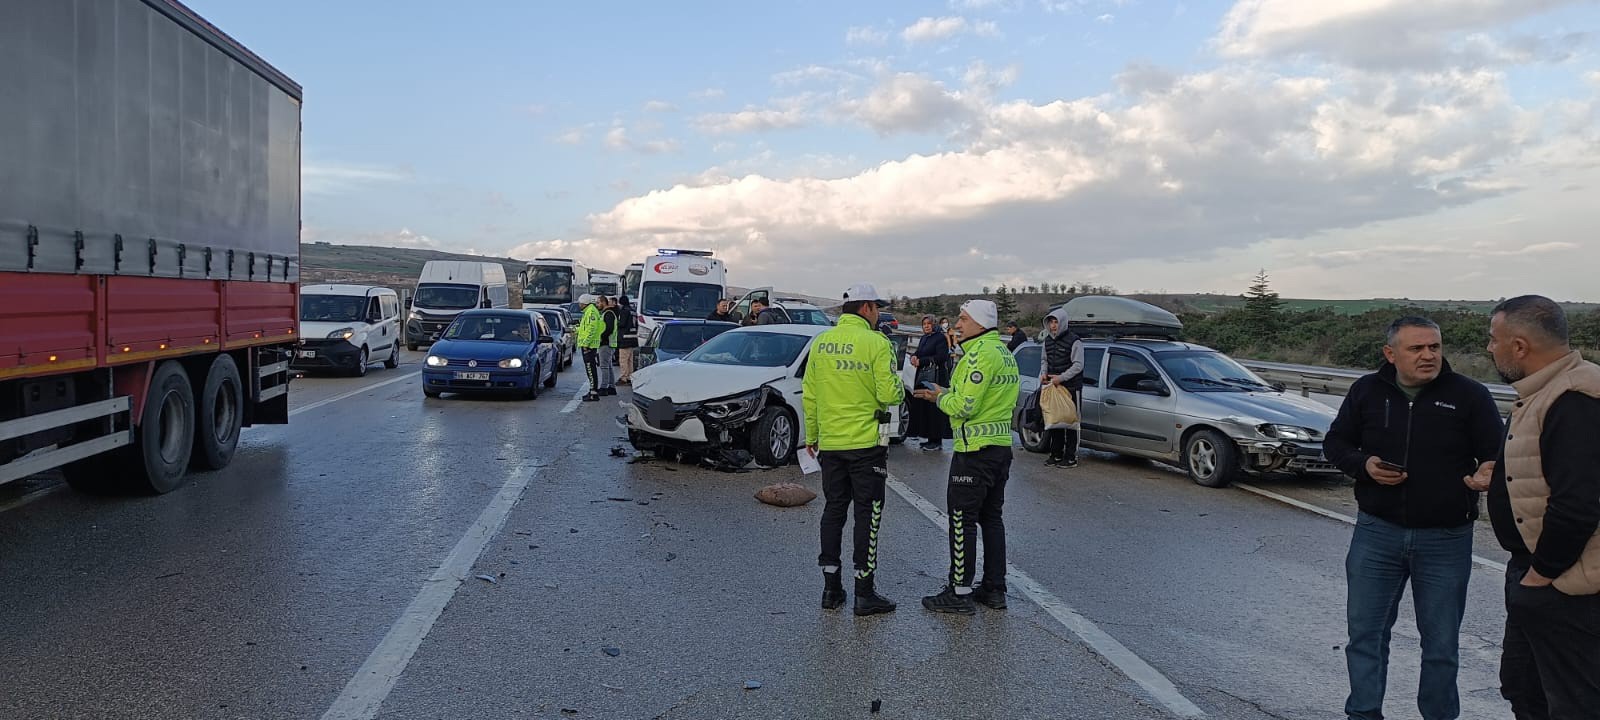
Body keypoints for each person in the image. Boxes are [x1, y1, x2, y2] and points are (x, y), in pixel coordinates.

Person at [1322, 316, 1503, 720]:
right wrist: (1364, 464)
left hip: (1446, 538)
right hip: (1377, 533)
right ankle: (1363, 714)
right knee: (1365, 637)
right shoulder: (1367, 391)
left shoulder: (1469, 395)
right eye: (1416, 348)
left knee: (1441, 646)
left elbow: (1497, 450)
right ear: (1391, 354)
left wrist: (1488, 469)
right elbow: (1335, 443)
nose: (1428, 355)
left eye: (1434, 347)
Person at [1482, 295, 1600, 718]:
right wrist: (1498, 478)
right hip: (1539, 572)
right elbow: (1550, 467)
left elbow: (1578, 503)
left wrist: (1540, 575)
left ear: (1519, 346)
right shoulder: (1543, 390)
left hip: (1566, 583)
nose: (1488, 349)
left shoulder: (1576, 397)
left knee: (1571, 702)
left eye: (1494, 340)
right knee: (1524, 688)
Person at [802, 283, 905, 617]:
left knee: (833, 511)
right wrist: (901, 390)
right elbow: (889, 393)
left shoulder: (821, 343)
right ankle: (865, 591)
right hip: (866, 445)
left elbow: (810, 395)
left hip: (830, 443)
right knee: (868, 514)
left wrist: (813, 435)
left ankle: (831, 589)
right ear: (866, 309)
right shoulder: (877, 343)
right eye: (876, 307)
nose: (878, 313)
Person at [913, 300, 1019, 615]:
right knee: (991, 518)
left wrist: (939, 397)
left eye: (962, 319)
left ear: (980, 322)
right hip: (999, 448)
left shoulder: (980, 355)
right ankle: (994, 588)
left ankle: (959, 592)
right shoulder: (1001, 352)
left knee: (962, 520)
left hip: (975, 451)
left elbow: (965, 406)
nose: (956, 325)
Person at [1040, 308, 1084, 468]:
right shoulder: (1047, 341)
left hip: (1071, 387)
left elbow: (1078, 365)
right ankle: (1056, 454)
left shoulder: (1074, 341)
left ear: (1063, 322)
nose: (1053, 325)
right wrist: (1043, 373)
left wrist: (1062, 377)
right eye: (1050, 322)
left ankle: (1071, 457)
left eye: (1056, 322)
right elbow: (1044, 360)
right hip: (1053, 387)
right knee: (1055, 420)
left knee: (1071, 423)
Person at [908, 315, 953, 451]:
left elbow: (941, 357)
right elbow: (918, 352)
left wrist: (923, 361)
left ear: (934, 324)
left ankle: (936, 440)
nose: (926, 326)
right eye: (924, 324)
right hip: (924, 375)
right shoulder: (924, 338)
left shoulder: (940, 338)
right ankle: (928, 437)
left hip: (936, 377)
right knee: (925, 407)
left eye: (929, 323)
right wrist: (914, 357)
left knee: (935, 409)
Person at [576, 294, 603, 402]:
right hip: (588, 345)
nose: (579, 305)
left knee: (590, 369)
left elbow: (591, 329)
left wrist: (586, 343)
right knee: (590, 369)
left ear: (584, 303)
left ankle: (593, 393)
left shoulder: (591, 312)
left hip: (589, 346)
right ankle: (592, 391)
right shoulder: (588, 311)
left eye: (580, 303)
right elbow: (585, 328)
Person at [595, 296, 618, 397]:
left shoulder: (608, 314)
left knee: (604, 366)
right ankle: (611, 387)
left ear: (604, 302)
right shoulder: (608, 313)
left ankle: (604, 388)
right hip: (609, 343)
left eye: (598, 303)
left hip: (606, 343)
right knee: (608, 366)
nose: (597, 305)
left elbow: (609, 329)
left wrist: (601, 337)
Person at [616, 294, 639, 385]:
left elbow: (621, 324)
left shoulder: (624, 311)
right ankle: (630, 376)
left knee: (623, 359)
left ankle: (624, 378)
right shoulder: (633, 311)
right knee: (630, 360)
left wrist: (616, 323)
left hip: (625, 338)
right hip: (633, 337)